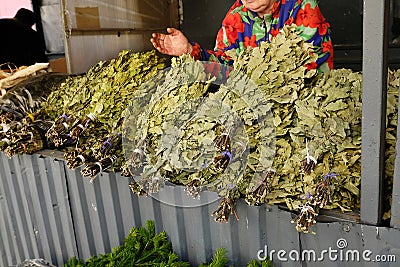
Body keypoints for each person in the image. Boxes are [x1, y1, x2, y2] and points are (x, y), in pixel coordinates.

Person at [151, 0, 333, 72]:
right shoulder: (236, 17)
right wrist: (191, 51)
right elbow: (226, 65)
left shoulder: (302, 7)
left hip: (309, 102)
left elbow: (306, 66)